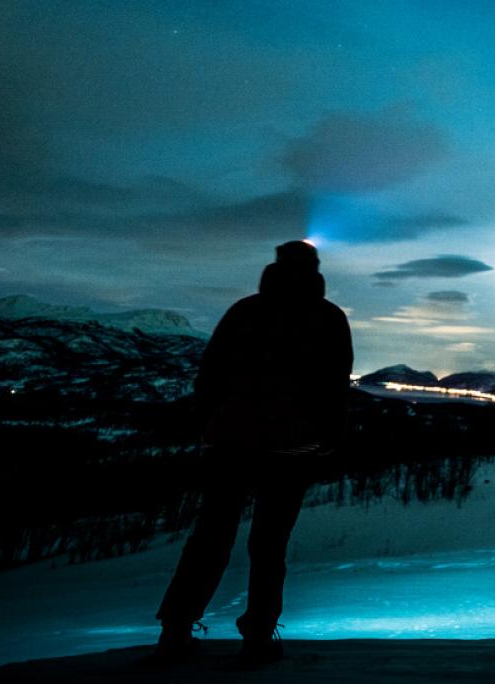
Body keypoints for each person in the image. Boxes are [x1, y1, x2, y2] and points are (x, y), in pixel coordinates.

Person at [150, 240, 352, 667]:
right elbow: (335, 389)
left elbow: (210, 375)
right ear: (316, 270)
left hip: (231, 443)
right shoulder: (328, 318)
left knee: (210, 537)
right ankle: (258, 636)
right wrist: (328, 440)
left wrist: (211, 425)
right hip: (293, 447)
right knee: (270, 544)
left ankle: (176, 630)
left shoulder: (244, 312)